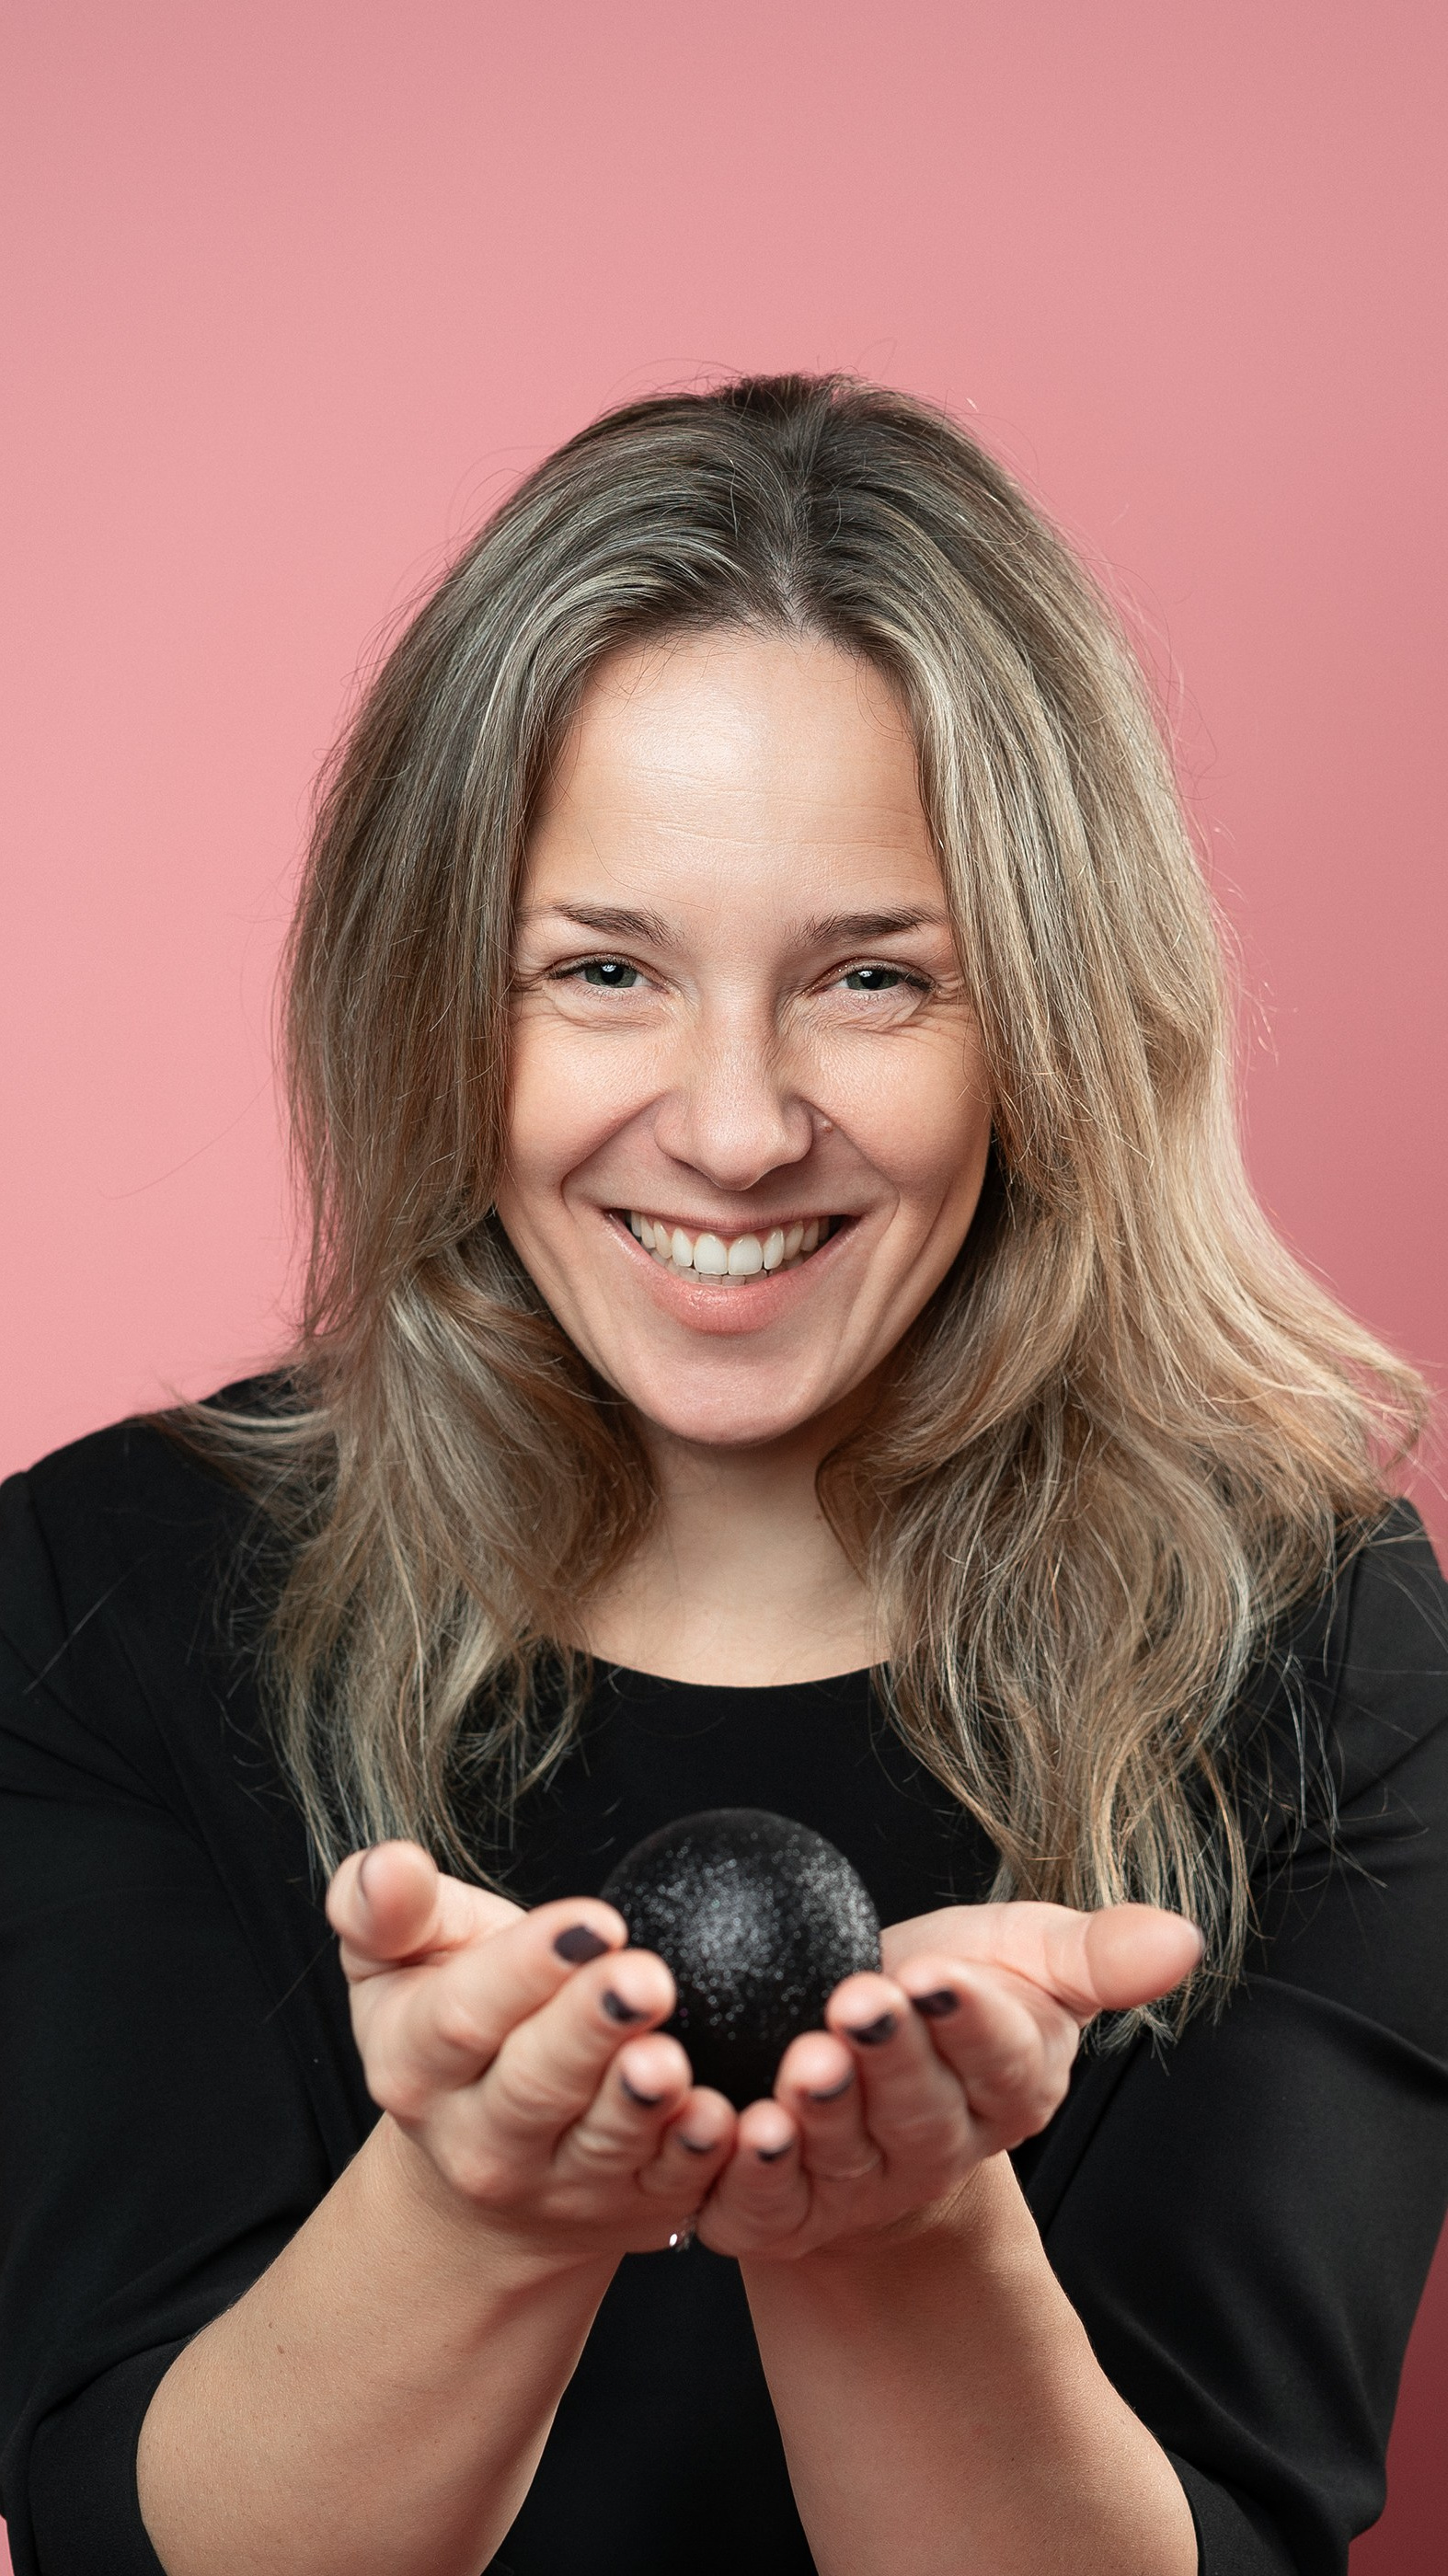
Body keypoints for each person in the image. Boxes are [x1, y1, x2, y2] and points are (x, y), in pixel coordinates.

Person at [2, 374, 1444, 2576]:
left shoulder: (1323, 1649)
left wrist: (886, 2239)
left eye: (875, 976)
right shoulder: (94, 1592)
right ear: (430, 1004)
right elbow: (124, 2534)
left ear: (1053, 1014)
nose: (740, 1123)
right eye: (602, 971)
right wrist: (480, 2212)